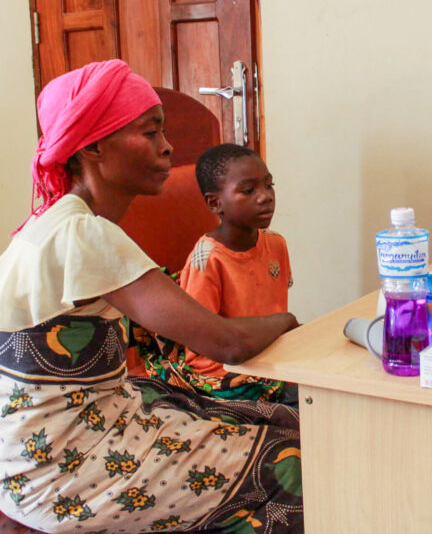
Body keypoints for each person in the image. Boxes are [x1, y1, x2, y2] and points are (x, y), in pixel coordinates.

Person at [0, 60, 303, 533]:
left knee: (268, 413)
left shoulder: (56, 221)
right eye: (149, 133)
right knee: (295, 462)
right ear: (95, 145)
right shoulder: (85, 234)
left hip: (31, 452)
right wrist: (287, 321)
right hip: (63, 470)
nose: (168, 148)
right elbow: (225, 343)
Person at [144, 143, 295, 403]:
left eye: (269, 185)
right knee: (306, 402)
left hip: (268, 351)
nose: (265, 196)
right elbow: (202, 347)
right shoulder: (207, 259)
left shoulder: (276, 243)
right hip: (221, 368)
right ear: (215, 203)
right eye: (248, 190)